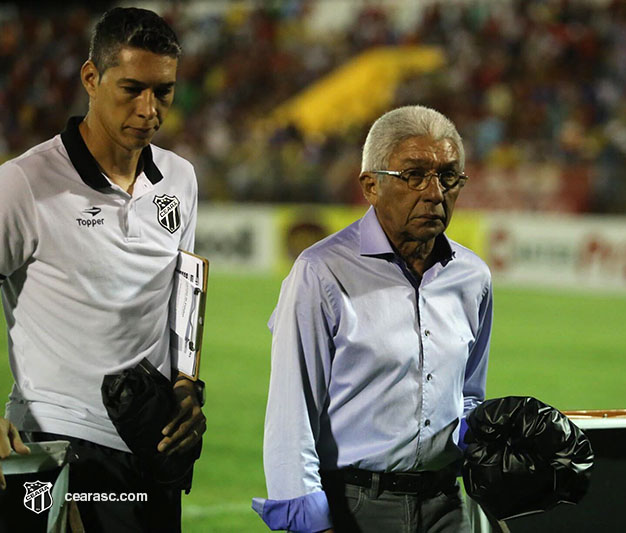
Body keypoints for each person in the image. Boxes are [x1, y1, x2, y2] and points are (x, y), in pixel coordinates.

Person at [0, 7, 205, 531]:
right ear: (91, 78)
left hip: (150, 441)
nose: (149, 109)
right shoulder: (24, 184)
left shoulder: (179, 179)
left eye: (163, 92)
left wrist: (186, 382)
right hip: (56, 444)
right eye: (132, 88)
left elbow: (187, 288)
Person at [253, 105, 493, 532]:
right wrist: (311, 523)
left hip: (447, 505)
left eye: (449, 176)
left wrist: (494, 436)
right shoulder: (320, 272)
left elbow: (467, 397)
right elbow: (292, 414)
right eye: (414, 175)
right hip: (356, 506)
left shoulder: (473, 277)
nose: (434, 193)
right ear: (370, 186)